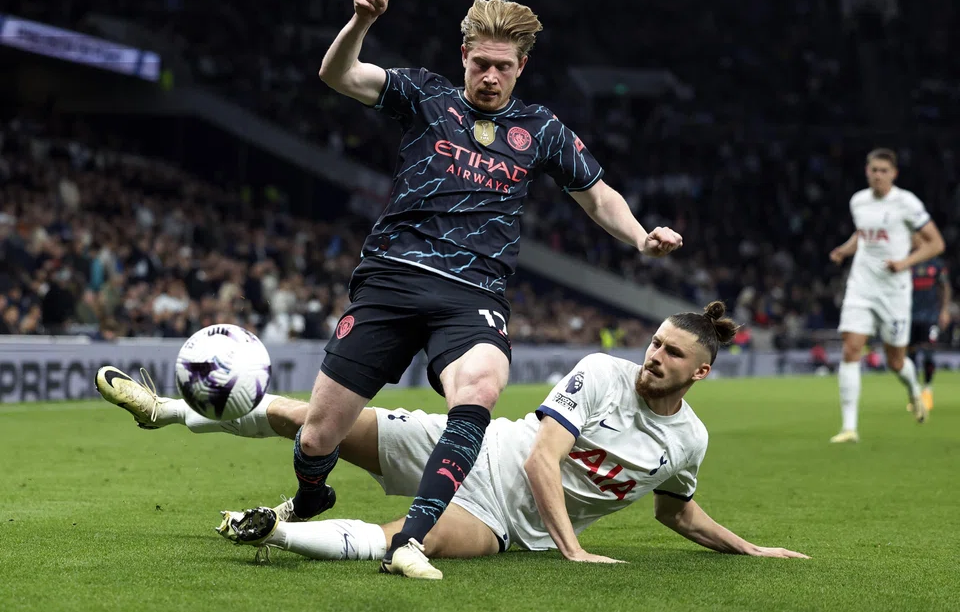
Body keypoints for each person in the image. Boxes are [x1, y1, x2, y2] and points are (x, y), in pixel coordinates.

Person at [283, 0, 682, 576]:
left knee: (481, 386)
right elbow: (339, 75)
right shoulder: (425, 95)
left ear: (522, 66)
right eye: (480, 64)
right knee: (318, 437)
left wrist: (639, 235)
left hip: (472, 292)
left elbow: (597, 196)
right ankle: (313, 493)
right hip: (393, 276)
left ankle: (410, 540)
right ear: (463, 57)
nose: (489, 77)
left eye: (502, 67)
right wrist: (361, 22)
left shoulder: (540, 128)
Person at [94, 303, 807, 574]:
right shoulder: (601, 371)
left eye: (671, 354)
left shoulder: (688, 440)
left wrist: (748, 546)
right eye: (654, 343)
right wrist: (574, 547)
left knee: (408, 537)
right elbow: (540, 456)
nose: (654, 356)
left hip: (500, 520)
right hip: (479, 447)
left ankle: (270, 533)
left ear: (701, 371)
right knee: (314, 420)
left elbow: (675, 510)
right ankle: (163, 409)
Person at [827, 149, 945, 443]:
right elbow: (863, 235)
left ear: (894, 174)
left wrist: (904, 264)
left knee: (895, 361)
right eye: (873, 170)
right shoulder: (859, 201)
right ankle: (849, 428)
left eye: (883, 170)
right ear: (867, 171)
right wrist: (845, 249)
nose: (878, 175)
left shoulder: (906, 203)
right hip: (861, 285)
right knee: (851, 348)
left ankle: (914, 391)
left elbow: (936, 244)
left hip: (894, 290)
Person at [907, 235, 951, 411]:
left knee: (928, 352)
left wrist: (945, 310)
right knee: (910, 355)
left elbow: (945, 287)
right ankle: (915, 392)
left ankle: (927, 389)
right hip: (909, 315)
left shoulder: (935, 263)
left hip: (930, 315)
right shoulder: (907, 262)